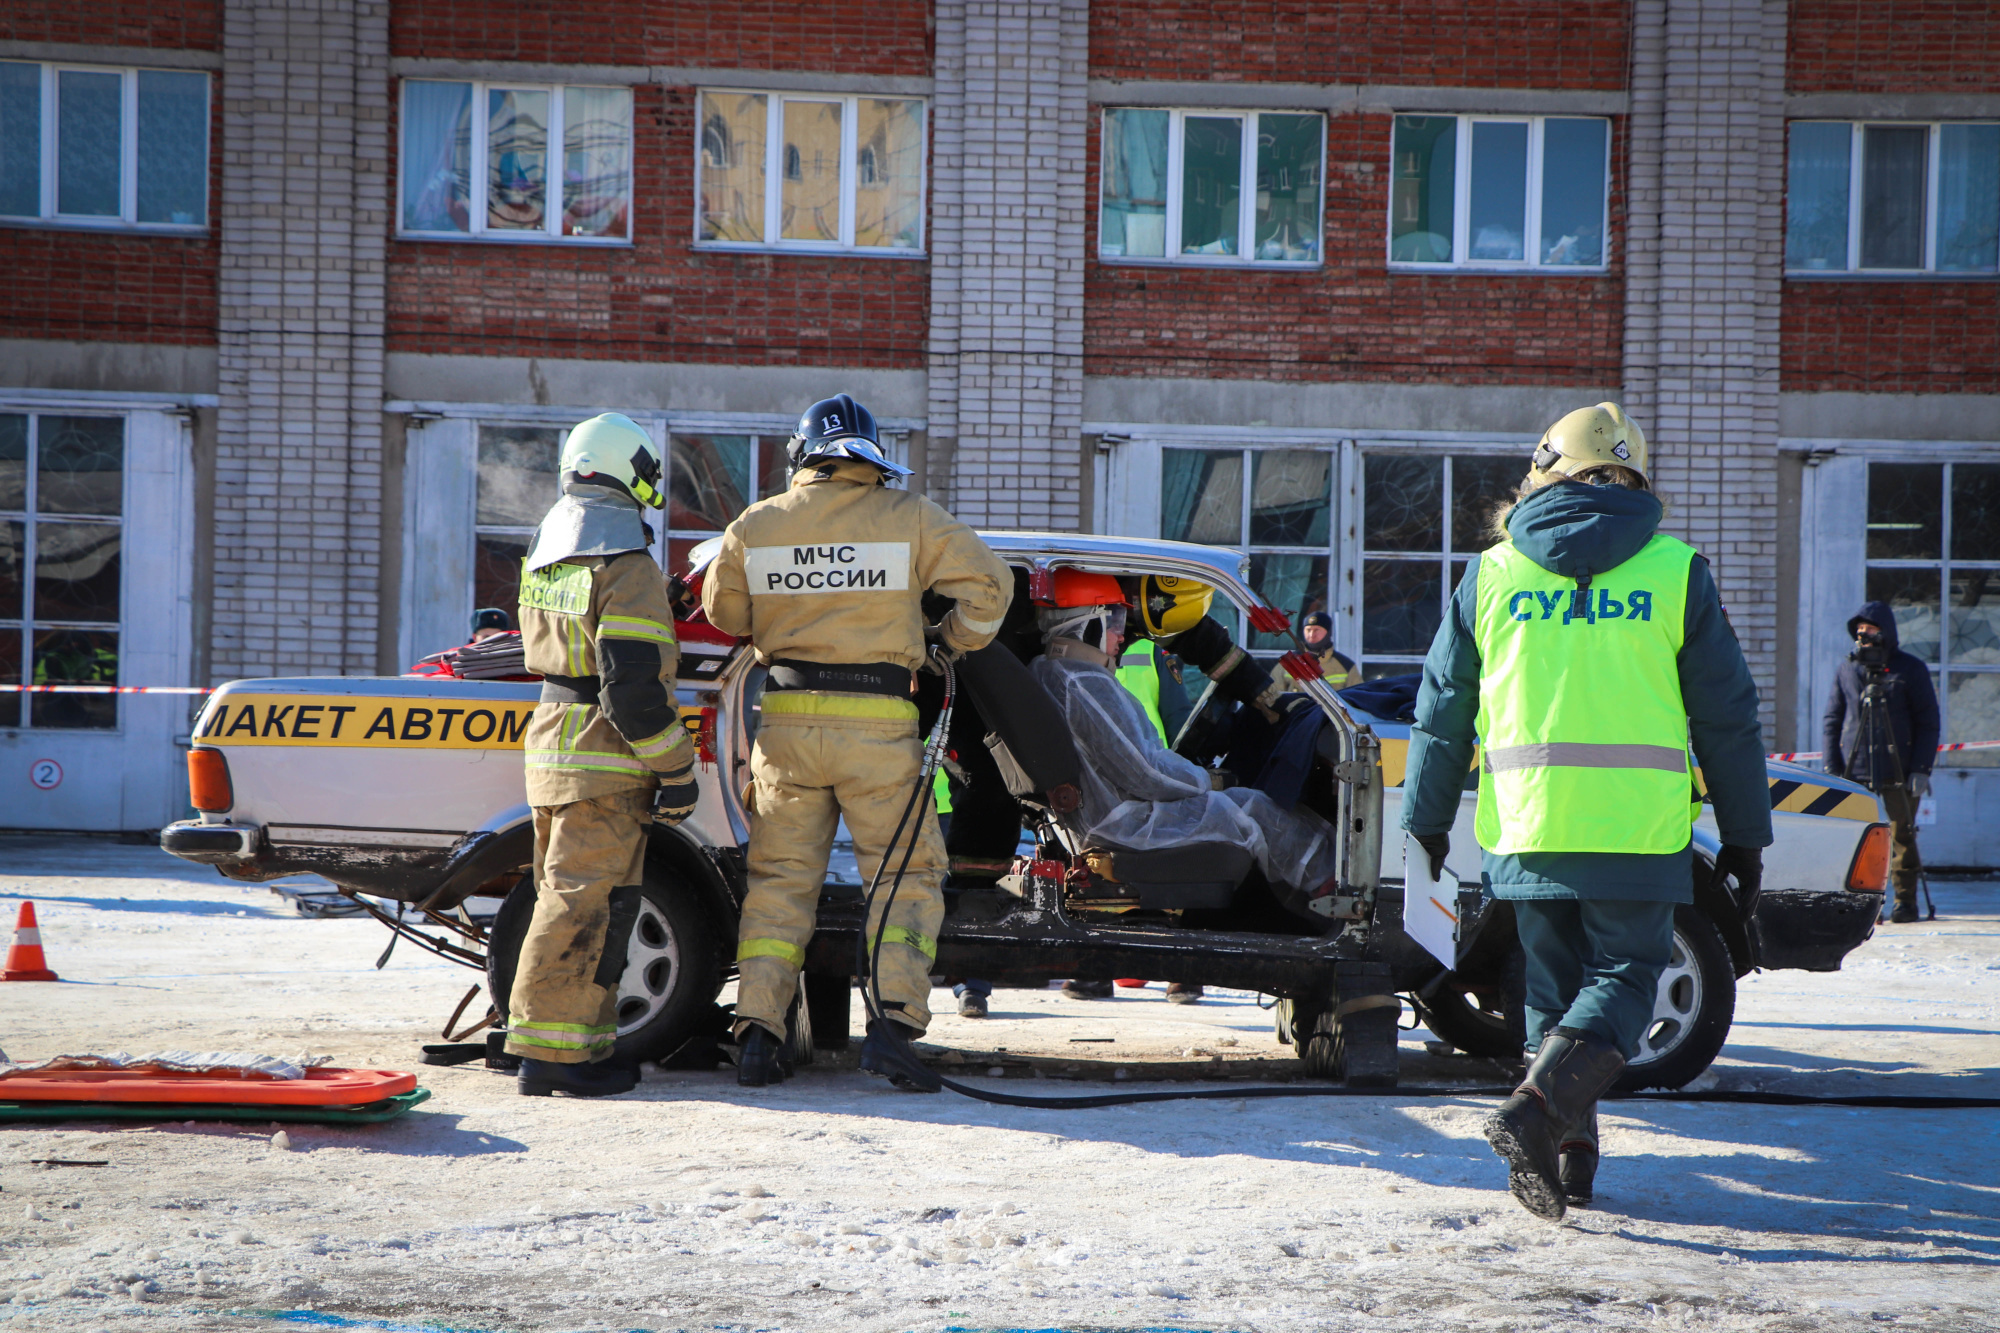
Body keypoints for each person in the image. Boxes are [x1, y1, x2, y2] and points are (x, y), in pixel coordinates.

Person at [1400, 402, 1772, 1221]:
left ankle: (1570, 1159)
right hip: (1635, 830)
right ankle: (1536, 1115)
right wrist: (1745, 832)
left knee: (1551, 991)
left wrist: (1425, 819)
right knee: (1627, 982)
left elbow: (1441, 710)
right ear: (1632, 479)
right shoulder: (1675, 571)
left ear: (1542, 477)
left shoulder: (1493, 574)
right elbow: (1726, 714)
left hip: (1530, 825)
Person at [701, 393, 1012, 1089]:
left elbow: (723, 612)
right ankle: (895, 1030)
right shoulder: (910, 517)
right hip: (877, 724)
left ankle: (758, 1036)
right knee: (904, 877)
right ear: (870, 455)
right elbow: (992, 587)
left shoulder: (757, 522)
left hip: (784, 724)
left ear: (802, 456)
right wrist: (944, 643)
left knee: (780, 886)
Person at [509, 413, 700, 1098]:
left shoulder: (548, 550)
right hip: (605, 760)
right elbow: (634, 691)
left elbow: (579, 644)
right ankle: (546, 1054)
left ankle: (578, 1049)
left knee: (588, 906)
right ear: (634, 472)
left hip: (554, 747)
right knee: (582, 907)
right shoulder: (628, 564)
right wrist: (678, 770)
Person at [1030, 569, 1342, 909]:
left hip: (1111, 816)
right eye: (1115, 621)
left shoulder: (1054, 672)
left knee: (1242, 804)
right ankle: (1334, 894)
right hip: (1125, 824)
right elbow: (1146, 774)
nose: (1123, 635)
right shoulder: (1084, 683)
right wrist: (1209, 780)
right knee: (1253, 808)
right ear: (1088, 625)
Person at [1822, 601, 1940, 923]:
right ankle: (1859, 904)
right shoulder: (1847, 668)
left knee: (1902, 836)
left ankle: (1905, 902)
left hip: (1899, 767)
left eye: (1871, 629)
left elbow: (1928, 722)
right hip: (1854, 766)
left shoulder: (1910, 669)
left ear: (1885, 632)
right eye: (1859, 631)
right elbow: (1833, 719)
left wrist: (1921, 768)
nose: (1864, 636)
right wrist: (1831, 766)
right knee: (1857, 838)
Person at [1299, 611, 1356, 687]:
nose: (1312, 634)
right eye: (1308, 630)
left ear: (1328, 632)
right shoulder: (1290, 661)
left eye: (1316, 630)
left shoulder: (1346, 665)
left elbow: (1357, 695)